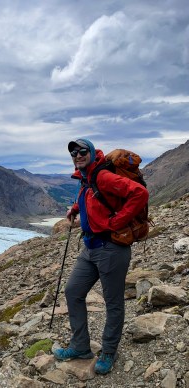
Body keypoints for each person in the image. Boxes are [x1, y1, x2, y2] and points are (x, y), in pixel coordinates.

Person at [53, 138, 148, 375]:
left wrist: (117, 222)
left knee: (113, 302)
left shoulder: (102, 176)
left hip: (111, 249)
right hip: (90, 248)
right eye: (74, 153)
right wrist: (75, 209)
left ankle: (108, 351)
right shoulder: (86, 177)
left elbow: (140, 193)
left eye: (82, 151)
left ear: (91, 152)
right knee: (73, 291)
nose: (77, 155)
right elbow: (90, 196)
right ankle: (80, 347)